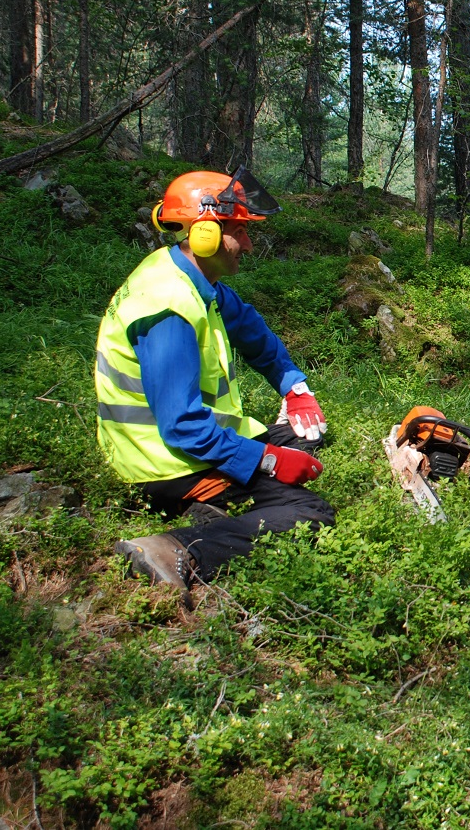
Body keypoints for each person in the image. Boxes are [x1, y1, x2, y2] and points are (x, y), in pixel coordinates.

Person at [96, 169, 332, 599]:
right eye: (240, 231)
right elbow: (183, 426)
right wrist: (269, 462)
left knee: (307, 434)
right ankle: (174, 549)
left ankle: (219, 505)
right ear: (205, 232)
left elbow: (251, 329)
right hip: (166, 465)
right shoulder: (169, 309)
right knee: (309, 511)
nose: (249, 244)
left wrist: (293, 388)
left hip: (191, 445)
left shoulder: (194, 278)